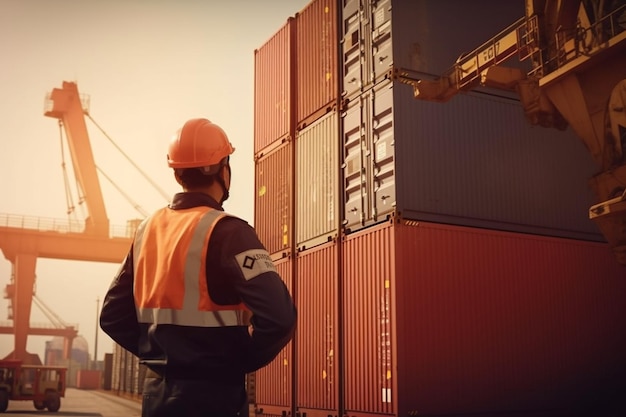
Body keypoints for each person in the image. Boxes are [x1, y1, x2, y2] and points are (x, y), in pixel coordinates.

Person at [100, 118, 297, 417]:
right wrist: (238, 362)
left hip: (156, 399)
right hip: (215, 399)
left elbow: (112, 317)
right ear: (222, 170)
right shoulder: (230, 232)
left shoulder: (146, 231)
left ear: (178, 173)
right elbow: (280, 318)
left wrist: (161, 359)